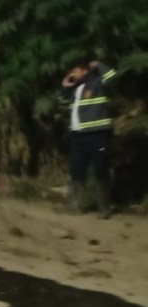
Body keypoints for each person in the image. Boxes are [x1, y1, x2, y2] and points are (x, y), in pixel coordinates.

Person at [61, 60, 116, 218]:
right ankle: (75, 205)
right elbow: (63, 104)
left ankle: (104, 208)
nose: (72, 74)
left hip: (97, 134)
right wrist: (65, 87)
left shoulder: (97, 82)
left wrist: (98, 64)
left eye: (74, 71)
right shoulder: (75, 89)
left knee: (101, 169)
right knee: (76, 170)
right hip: (78, 136)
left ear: (84, 71)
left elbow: (112, 76)